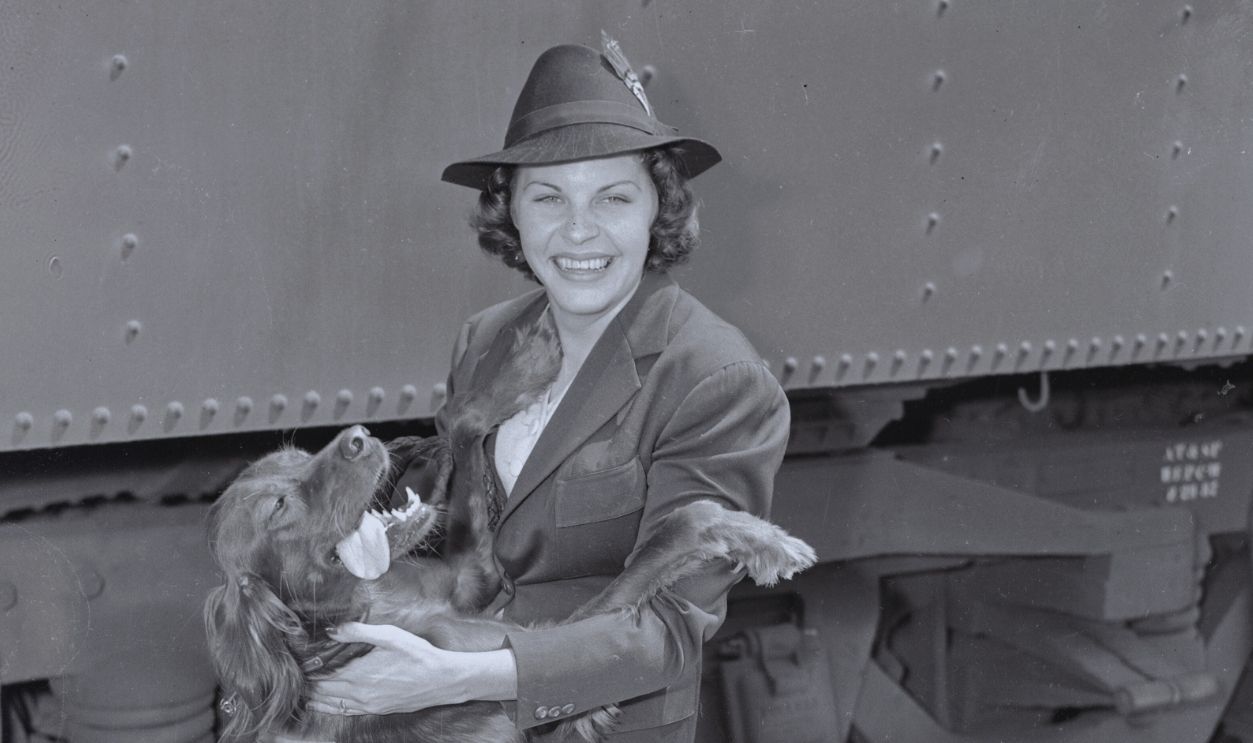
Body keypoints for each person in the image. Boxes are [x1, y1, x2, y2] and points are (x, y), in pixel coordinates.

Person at [308, 38, 790, 742]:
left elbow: (670, 632)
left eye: (613, 197)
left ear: (659, 208)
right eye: (548, 197)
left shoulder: (716, 378)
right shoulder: (486, 338)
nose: (577, 229)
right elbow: (461, 539)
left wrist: (458, 675)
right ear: (512, 215)